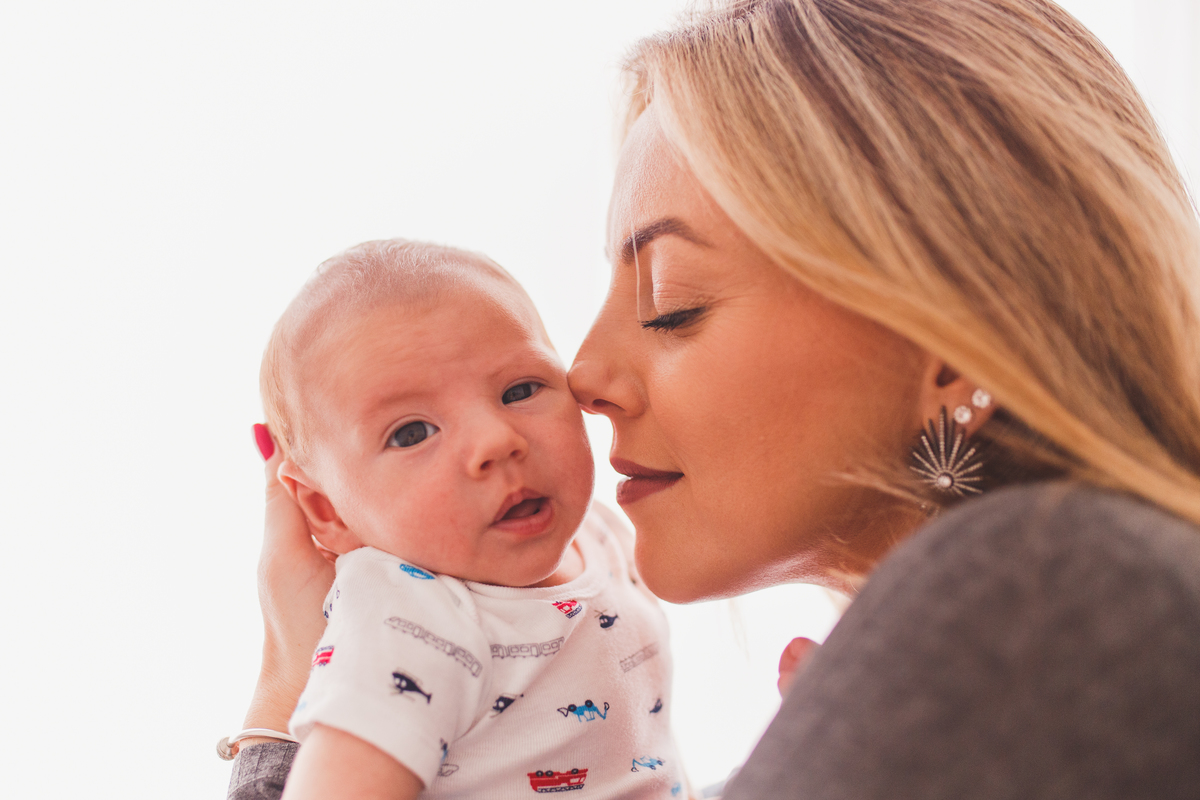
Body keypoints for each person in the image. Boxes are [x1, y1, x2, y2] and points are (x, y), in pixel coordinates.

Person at [227, 1, 1200, 798]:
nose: (585, 376)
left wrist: (283, 706)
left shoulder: (1047, 578)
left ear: (951, 339)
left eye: (671, 304)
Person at [233, 240, 683, 799]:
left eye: (520, 390)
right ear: (327, 510)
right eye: (412, 433)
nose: (497, 440)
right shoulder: (405, 612)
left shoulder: (598, 532)